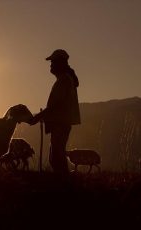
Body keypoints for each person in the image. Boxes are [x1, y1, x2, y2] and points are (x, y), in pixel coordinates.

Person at [29, 49, 81, 177]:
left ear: (60, 63)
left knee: (56, 157)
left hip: (60, 123)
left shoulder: (63, 80)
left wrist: (38, 117)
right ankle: (64, 184)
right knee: (56, 156)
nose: (51, 65)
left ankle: (64, 185)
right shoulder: (65, 80)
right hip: (61, 123)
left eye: (53, 62)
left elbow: (56, 105)